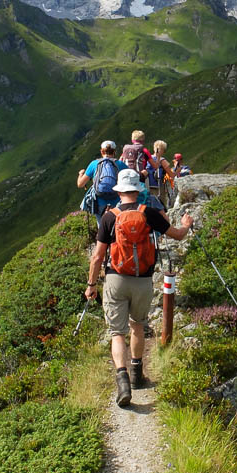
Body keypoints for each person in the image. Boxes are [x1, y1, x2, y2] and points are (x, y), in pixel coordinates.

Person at [86, 169, 193, 407]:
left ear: (119, 191)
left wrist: (92, 284)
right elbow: (176, 235)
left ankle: (122, 380)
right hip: (143, 279)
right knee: (137, 326)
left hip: (116, 279)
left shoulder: (109, 217)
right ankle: (137, 374)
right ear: (137, 190)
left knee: (117, 332)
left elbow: (97, 257)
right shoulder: (150, 213)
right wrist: (185, 224)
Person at [77, 140, 127, 224]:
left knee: (102, 228)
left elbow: (80, 184)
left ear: (101, 151)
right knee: (118, 226)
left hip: (100, 202)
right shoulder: (120, 164)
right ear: (114, 152)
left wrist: (80, 174)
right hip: (117, 201)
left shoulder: (94, 164)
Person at [148, 139, 176, 210]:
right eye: (164, 150)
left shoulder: (148, 159)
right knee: (160, 205)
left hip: (148, 185)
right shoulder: (162, 160)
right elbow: (171, 175)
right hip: (159, 186)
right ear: (162, 150)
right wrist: (178, 170)